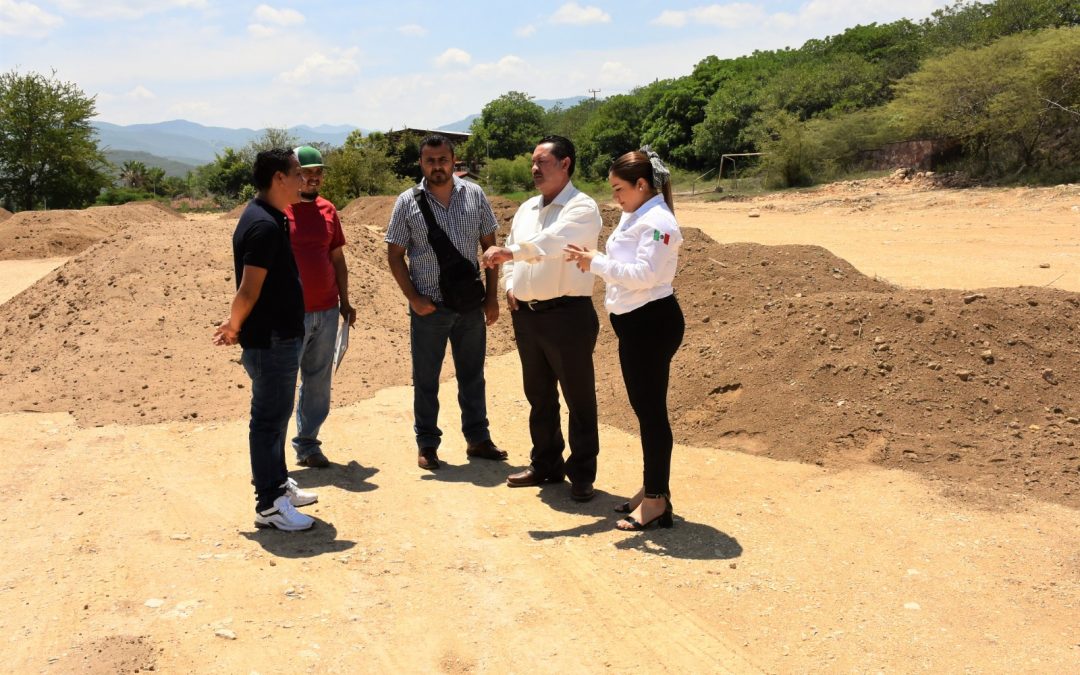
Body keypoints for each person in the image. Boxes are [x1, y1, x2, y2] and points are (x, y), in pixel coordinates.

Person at [563, 146, 685, 530]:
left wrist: (594, 262)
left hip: (651, 323)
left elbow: (644, 275)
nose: (614, 196)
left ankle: (655, 500)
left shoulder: (659, 222)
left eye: (619, 188)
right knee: (646, 412)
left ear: (642, 184)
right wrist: (595, 258)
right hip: (636, 322)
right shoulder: (639, 213)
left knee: (651, 415)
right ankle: (654, 489)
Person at [481, 135, 602, 502]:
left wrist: (510, 254)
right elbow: (511, 248)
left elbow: (553, 244)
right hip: (529, 316)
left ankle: (581, 474)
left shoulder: (582, 208)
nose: (534, 169)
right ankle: (546, 462)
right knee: (539, 395)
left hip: (567, 315)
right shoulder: (527, 208)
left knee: (578, 398)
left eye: (542, 162)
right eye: (532, 163)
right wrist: (509, 285)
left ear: (565, 164)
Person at [385, 134, 508, 470]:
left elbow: (490, 250)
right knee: (426, 378)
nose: (437, 166)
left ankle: (478, 439)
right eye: (430, 160)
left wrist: (492, 297)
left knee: (473, 376)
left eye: (443, 160)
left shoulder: (475, 195)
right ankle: (427, 444)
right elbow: (395, 255)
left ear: (454, 161)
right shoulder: (407, 202)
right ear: (421, 163)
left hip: (470, 305)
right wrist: (413, 298)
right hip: (430, 307)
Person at [213, 148, 318, 532]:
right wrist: (234, 325)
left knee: (276, 418)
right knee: (268, 421)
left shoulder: (272, 217)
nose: (303, 179)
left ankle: (277, 485)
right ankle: (269, 505)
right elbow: (248, 289)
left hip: (279, 336)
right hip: (271, 339)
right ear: (278, 178)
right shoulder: (263, 225)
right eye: (296, 173)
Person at [284, 145, 356, 469]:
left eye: (318, 172)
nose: (313, 178)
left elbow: (337, 259)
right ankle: (271, 455)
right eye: (306, 172)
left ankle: (308, 445)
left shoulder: (329, 210)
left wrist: (345, 301)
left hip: (326, 311)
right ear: (292, 174)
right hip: (289, 314)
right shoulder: (279, 210)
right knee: (282, 384)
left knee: (317, 382)